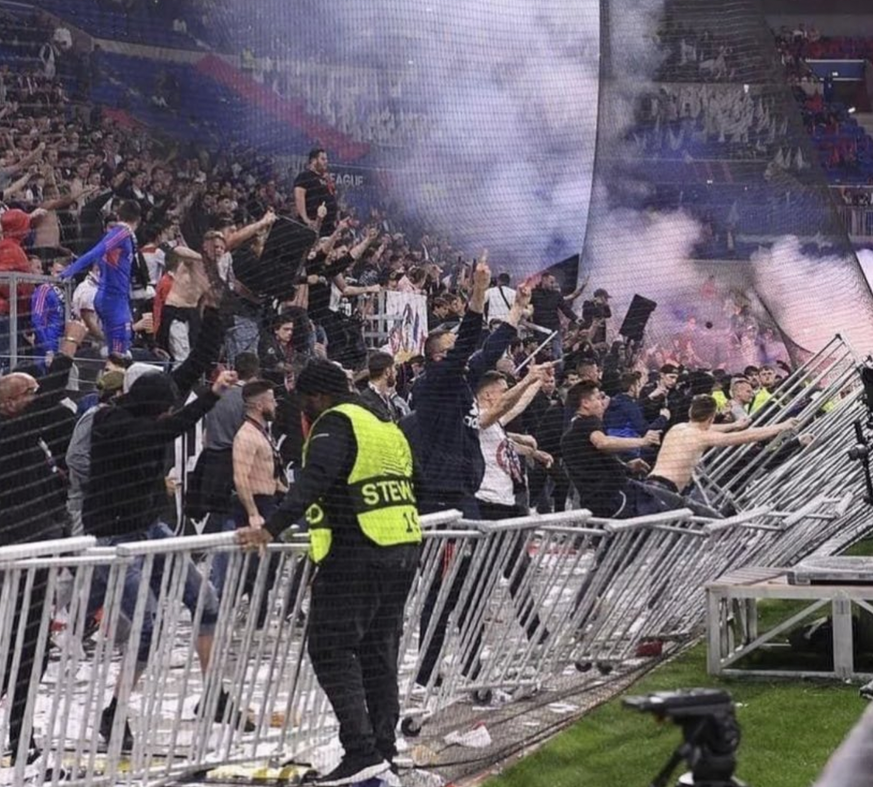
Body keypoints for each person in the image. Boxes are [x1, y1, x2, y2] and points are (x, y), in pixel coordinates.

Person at [238, 360, 422, 786]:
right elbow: (418, 483)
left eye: (305, 401)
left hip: (357, 551)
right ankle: (382, 756)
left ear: (316, 396)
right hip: (402, 547)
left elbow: (314, 479)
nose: (303, 409)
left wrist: (269, 527)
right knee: (379, 656)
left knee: (330, 648)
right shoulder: (385, 425)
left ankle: (360, 752)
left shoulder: (334, 423)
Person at [647, 394, 803, 496]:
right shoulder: (703, 436)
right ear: (712, 417)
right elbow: (746, 436)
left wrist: (734, 425)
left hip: (650, 483)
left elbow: (709, 427)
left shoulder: (679, 427)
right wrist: (780, 427)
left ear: (690, 412)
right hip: (664, 492)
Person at [561, 380, 660, 518]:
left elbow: (595, 463)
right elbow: (602, 443)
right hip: (613, 498)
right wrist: (642, 441)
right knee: (672, 505)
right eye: (598, 398)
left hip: (595, 504)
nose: (603, 403)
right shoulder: (588, 422)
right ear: (585, 403)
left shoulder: (572, 430)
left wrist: (626, 466)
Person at [58, 200, 142, 354]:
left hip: (116, 298)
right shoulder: (121, 233)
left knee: (117, 349)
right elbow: (96, 251)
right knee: (118, 353)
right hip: (112, 298)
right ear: (138, 220)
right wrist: (70, 270)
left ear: (118, 214)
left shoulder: (126, 236)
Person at [529, 273, 582, 360]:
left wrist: (575, 318)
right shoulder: (534, 294)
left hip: (554, 327)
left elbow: (565, 308)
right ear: (544, 280)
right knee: (542, 352)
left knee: (557, 352)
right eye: (551, 282)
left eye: (554, 282)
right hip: (539, 328)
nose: (553, 284)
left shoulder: (556, 295)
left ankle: (558, 370)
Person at [30, 256, 69, 362]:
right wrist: (48, 349)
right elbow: (37, 320)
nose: (60, 276)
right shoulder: (44, 290)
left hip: (62, 349)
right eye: (57, 272)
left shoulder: (67, 293)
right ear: (51, 271)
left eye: (65, 273)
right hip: (46, 350)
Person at [294, 148, 337, 236]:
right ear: (314, 161)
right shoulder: (305, 176)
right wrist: (306, 219)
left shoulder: (325, 179)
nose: (326, 162)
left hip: (328, 228)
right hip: (313, 226)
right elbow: (299, 198)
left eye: (326, 159)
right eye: (323, 159)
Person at [358, 351, 408, 423]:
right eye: (394, 369)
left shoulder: (387, 400)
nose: (396, 373)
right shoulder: (367, 401)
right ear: (387, 372)